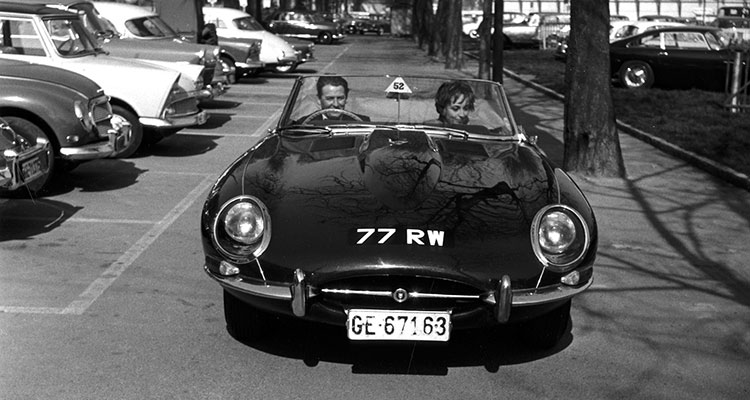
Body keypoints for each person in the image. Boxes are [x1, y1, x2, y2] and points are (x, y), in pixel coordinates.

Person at [296, 76, 370, 123]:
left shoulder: (362, 123)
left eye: (340, 98)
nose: (336, 104)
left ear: (346, 98)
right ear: (319, 99)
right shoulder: (304, 124)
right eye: (330, 99)